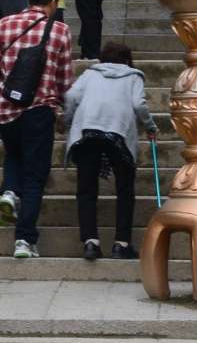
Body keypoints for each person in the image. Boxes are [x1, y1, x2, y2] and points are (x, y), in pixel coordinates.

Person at [0, 0, 74, 258]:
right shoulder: (60, 31)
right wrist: (64, 113)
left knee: (13, 155)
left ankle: (9, 191)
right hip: (39, 111)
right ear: (54, 2)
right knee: (34, 177)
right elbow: (65, 79)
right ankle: (24, 240)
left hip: (5, 109)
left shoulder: (3, 25)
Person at [63, 41, 156, 260]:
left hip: (87, 132)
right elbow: (139, 105)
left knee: (86, 188)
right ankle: (121, 244)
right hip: (119, 134)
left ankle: (90, 242)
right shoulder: (134, 76)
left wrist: (69, 122)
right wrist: (150, 126)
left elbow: (70, 97)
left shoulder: (90, 74)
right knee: (124, 189)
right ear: (127, 60)